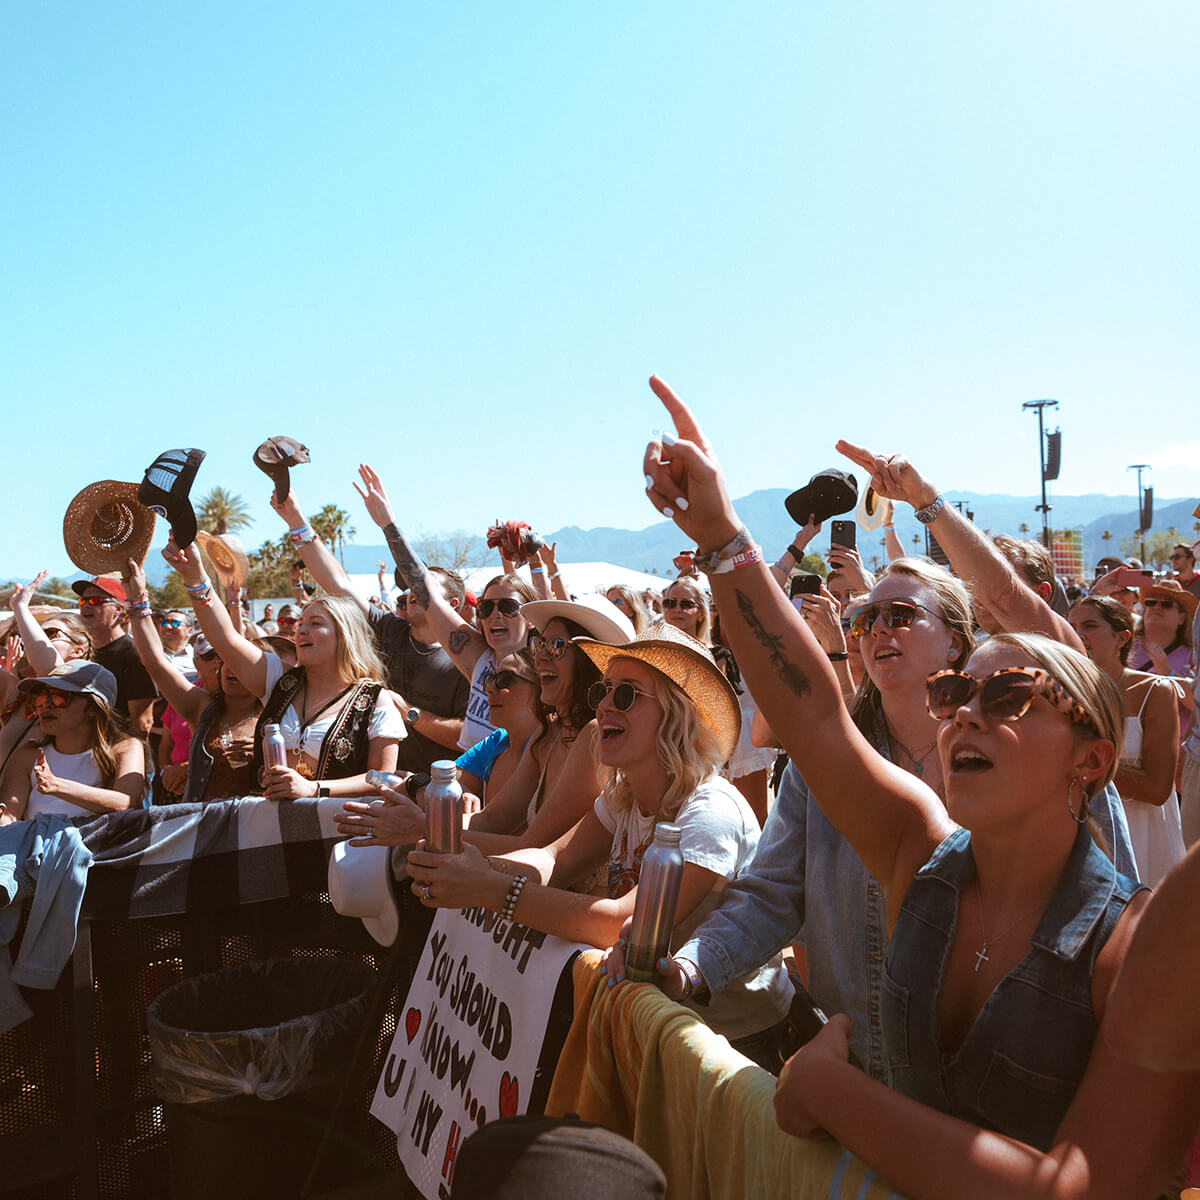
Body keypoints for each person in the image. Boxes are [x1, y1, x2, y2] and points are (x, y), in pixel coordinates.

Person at [642, 376, 1200, 1199]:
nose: (966, 715)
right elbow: (812, 714)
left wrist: (832, 1091)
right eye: (956, 695)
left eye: (1007, 696)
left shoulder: (1139, 948)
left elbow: (1070, 1190)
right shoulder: (918, 848)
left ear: (1091, 758)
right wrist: (723, 535)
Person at [406, 622, 793, 1068]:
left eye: (626, 694)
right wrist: (468, 869)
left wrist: (490, 890)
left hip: (734, 1046)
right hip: (657, 1027)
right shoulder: (624, 794)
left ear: (675, 713)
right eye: (604, 691)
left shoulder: (711, 811)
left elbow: (621, 924)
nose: (605, 705)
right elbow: (554, 858)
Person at [163, 539, 403, 797]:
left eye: (315, 623)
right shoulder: (281, 680)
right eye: (300, 623)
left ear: (345, 635)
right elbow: (224, 639)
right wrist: (195, 576)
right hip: (267, 829)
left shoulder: (375, 700)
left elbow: (382, 777)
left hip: (337, 830)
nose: (301, 629)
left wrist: (313, 788)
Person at [271, 484, 469, 774]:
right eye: (414, 583)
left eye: (425, 585)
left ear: (452, 603)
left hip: (430, 793)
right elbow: (338, 583)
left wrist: (409, 714)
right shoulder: (388, 628)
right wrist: (295, 520)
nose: (414, 589)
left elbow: (470, 737)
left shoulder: (466, 658)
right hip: (367, 788)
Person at [351, 463, 534, 752]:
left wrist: (538, 565)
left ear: (532, 616)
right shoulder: (480, 661)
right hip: (478, 786)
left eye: (508, 606)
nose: (495, 615)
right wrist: (388, 524)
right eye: (486, 608)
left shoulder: (544, 669)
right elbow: (428, 595)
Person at [122, 560, 262, 804]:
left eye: (234, 659)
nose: (226, 665)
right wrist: (137, 602)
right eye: (219, 659)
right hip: (201, 827)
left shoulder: (280, 711)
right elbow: (155, 663)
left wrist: (263, 750)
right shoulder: (202, 707)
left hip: (257, 830)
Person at [1068, 596, 1183, 885]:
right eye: (1072, 626)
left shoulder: (1156, 691)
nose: (1078, 634)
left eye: (1090, 626)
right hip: (1079, 835)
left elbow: (1158, 788)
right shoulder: (1062, 692)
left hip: (1142, 837)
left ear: (1122, 637)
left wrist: (1081, 764)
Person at [0, 661, 145, 821]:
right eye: (40, 696)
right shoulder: (27, 755)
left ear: (93, 708)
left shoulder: (125, 747)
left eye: (60, 697)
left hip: (96, 845)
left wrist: (56, 785)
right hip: (34, 845)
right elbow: (9, 818)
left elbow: (127, 802)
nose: (45, 705)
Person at [71, 577, 156, 735]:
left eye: (96, 600)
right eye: (83, 601)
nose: (87, 605)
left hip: (117, 750)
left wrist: (127, 756)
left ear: (118, 609)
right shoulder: (80, 652)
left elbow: (143, 722)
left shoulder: (133, 653)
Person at [1131, 579, 1195, 681]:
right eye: (1151, 602)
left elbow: (1194, 693)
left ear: (1181, 618)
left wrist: (1167, 672)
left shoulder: (1193, 656)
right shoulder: (1125, 645)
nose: (1156, 607)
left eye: (1166, 604)